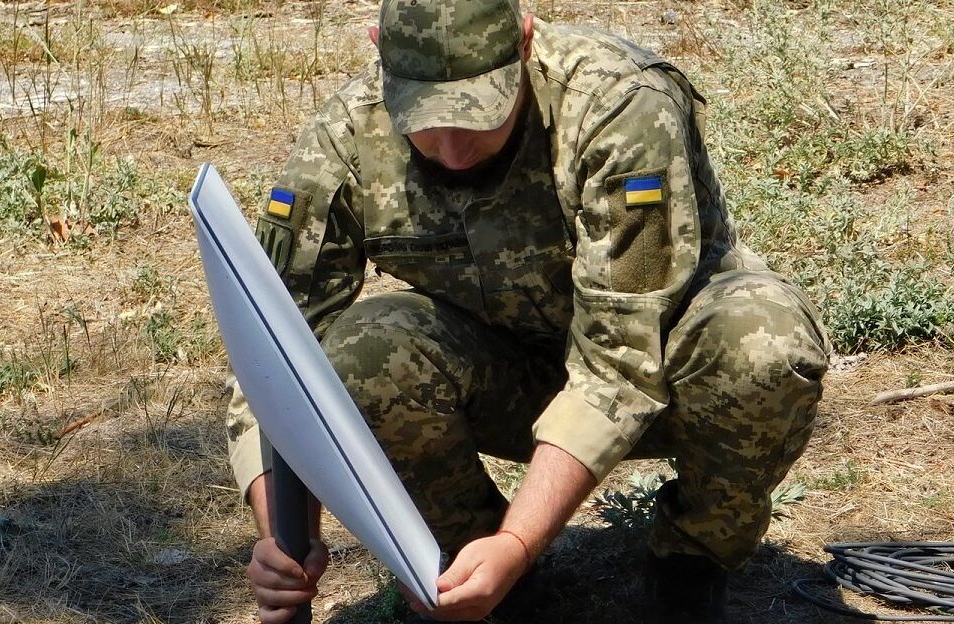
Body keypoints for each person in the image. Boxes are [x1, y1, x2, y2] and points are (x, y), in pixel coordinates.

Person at [228, 1, 830, 622]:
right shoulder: (345, 139)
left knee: (764, 342)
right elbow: (273, 356)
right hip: (507, 378)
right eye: (426, 121)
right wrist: (282, 535)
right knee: (363, 353)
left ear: (523, 40)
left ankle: (690, 563)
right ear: (378, 46)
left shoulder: (617, 105)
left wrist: (518, 542)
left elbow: (619, 359)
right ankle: (472, 573)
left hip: (670, 370)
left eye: (478, 113)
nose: (454, 151)